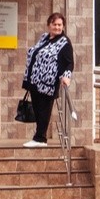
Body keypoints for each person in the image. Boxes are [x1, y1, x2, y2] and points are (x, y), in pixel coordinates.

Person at [21, 12, 73, 148]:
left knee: (44, 110)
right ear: (49, 25)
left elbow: (69, 63)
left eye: (60, 25)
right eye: (54, 24)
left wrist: (67, 76)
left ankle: (40, 139)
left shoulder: (64, 42)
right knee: (38, 109)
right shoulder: (44, 37)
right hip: (35, 81)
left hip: (48, 83)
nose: (57, 27)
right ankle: (39, 137)